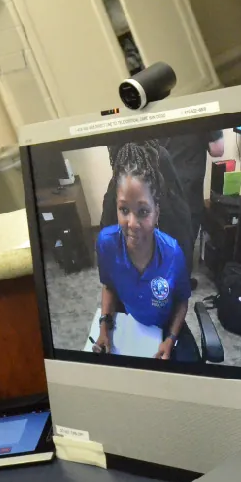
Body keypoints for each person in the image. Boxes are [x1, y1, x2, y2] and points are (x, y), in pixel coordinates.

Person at [92, 142, 197, 362]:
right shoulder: (106, 243)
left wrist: (170, 338)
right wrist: (104, 326)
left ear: (157, 212)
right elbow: (109, 285)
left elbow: (181, 301)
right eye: (124, 210)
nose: (132, 223)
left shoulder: (172, 253)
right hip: (129, 326)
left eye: (143, 212)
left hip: (165, 325)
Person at [160, 130, 225, 245]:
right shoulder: (205, 112)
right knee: (183, 251)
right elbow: (217, 149)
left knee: (160, 249)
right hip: (186, 194)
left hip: (158, 188)